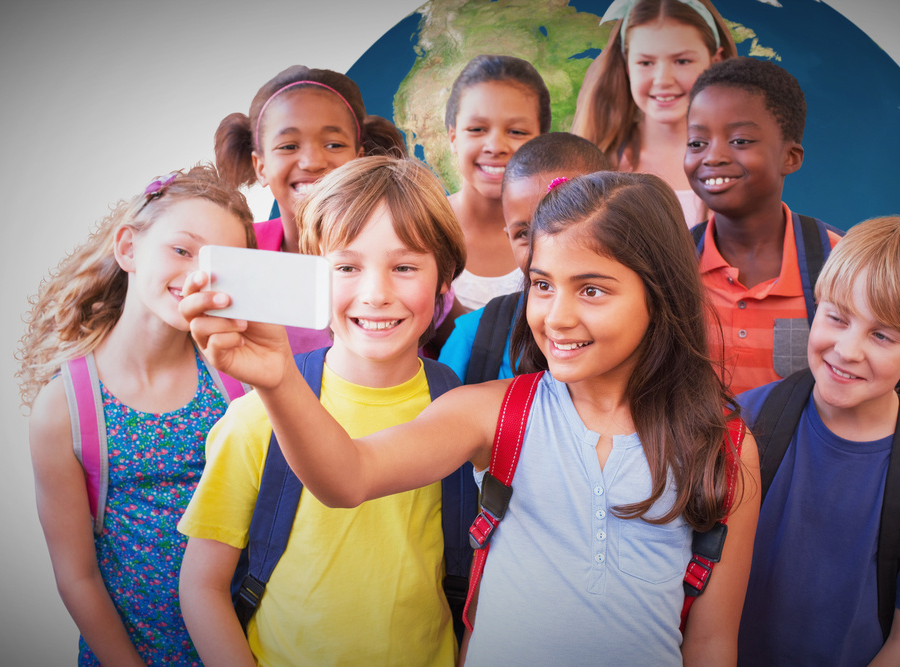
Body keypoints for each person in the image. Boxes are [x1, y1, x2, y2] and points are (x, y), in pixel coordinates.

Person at [181, 170, 760, 665]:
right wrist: (279, 379)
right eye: (541, 285)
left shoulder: (726, 449)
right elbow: (348, 477)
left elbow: (711, 642)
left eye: (592, 290)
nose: (555, 316)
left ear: (659, 294)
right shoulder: (488, 411)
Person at [177, 156, 468, 666]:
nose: (376, 294)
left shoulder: (464, 417)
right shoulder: (254, 420)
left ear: (444, 278)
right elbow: (202, 586)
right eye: (347, 267)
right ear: (313, 276)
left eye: (404, 267)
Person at [15, 165, 255, 666]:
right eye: (182, 249)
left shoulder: (236, 385)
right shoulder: (65, 409)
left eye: (218, 262)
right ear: (128, 248)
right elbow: (76, 576)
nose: (196, 275)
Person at [735, 215, 900, 666]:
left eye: (882, 335)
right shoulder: (742, 422)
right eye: (837, 318)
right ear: (816, 304)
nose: (847, 349)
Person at [215, 64, 406, 354]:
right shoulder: (235, 252)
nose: (313, 162)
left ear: (359, 159)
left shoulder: (406, 250)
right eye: (289, 146)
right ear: (261, 166)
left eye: (333, 144)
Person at [684, 56, 842, 395]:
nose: (712, 157)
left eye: (740, 141)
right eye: (697, 143)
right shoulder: (670, 263)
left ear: (790, 157)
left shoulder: (840, 262)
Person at [438, 132, 610, 383]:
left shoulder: (641, 327)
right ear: (508, 237)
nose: (544, 245)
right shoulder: (474, 336)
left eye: (565, 222)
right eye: (525, 233)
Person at [572, 0, 736, 228]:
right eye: (646, 62)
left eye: (682, 61)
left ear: (715, 62)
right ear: (627, 66)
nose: (663, 80)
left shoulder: (741, 161)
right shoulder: (594, 163)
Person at [445, 54, 551, 311]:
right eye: (477, 129)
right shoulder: (420, 227)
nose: (495, 147)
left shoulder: (562, 233)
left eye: (516, 132)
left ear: (541, 141)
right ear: (453, 137)